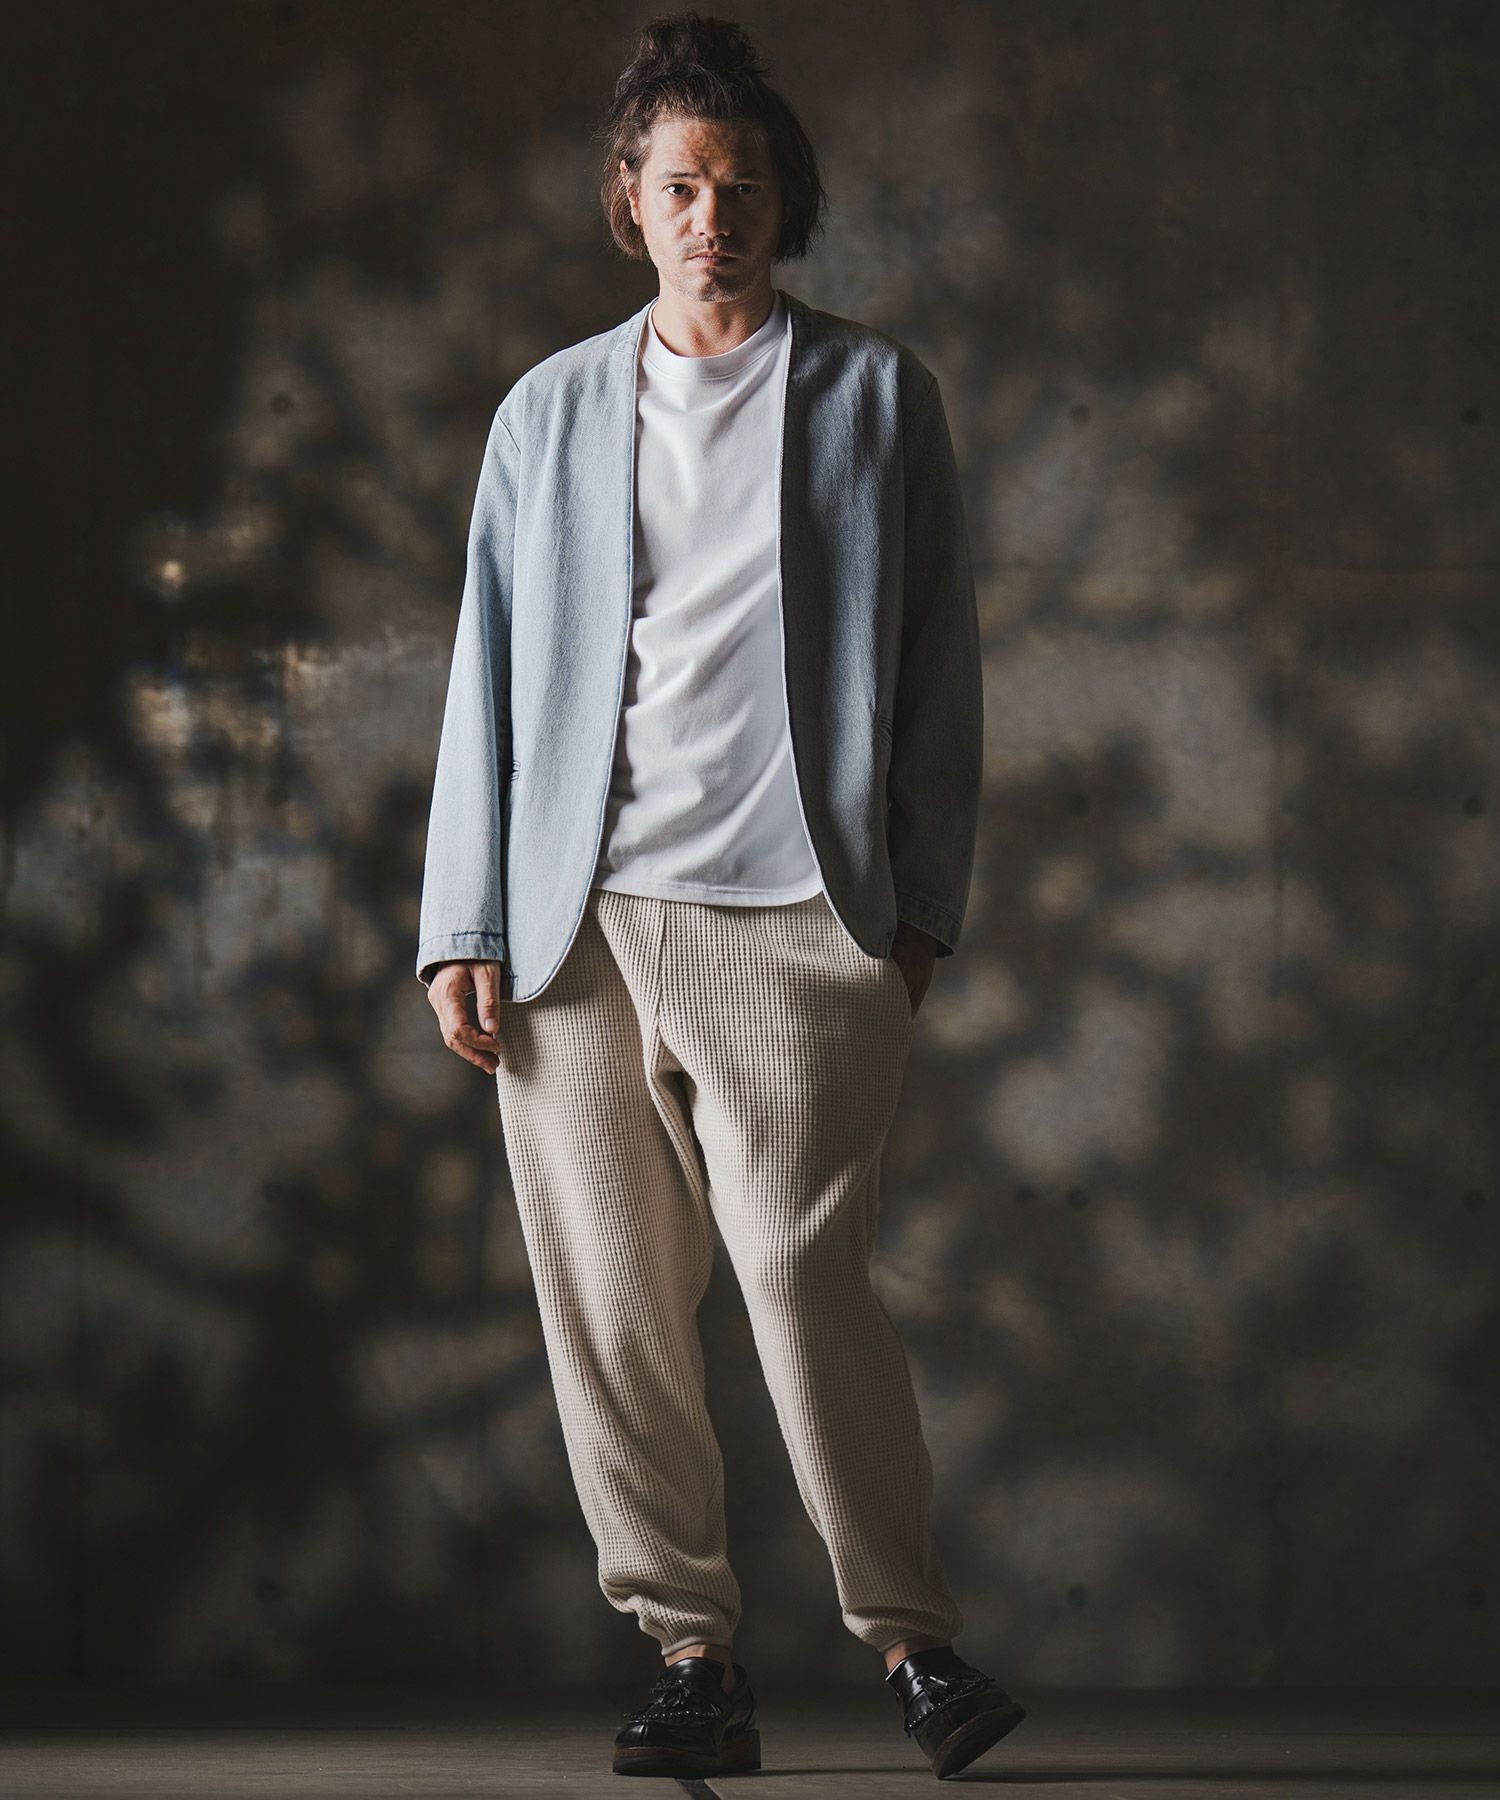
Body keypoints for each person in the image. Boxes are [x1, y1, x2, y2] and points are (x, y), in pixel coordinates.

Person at [416, 8, 1027, 1782]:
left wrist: (917, 914)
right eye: (681, 186)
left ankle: (910, 1642)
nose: (714, 215)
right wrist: (464, 923)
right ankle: (689, 1652)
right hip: (578, 929)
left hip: (802, 919)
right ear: (632, 199)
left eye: (743, 186)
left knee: (803, 1282)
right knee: (611, 1308)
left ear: (785, 200)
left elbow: (939, 670)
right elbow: (487, 676)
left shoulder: (876, 398)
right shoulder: (548, 412)